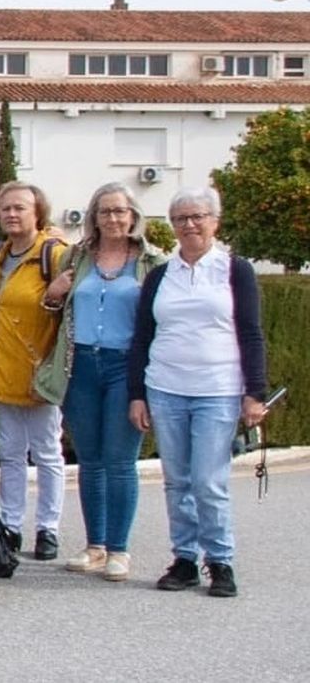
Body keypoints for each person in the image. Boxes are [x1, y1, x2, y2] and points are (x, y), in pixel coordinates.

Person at [129, 187, 267, 598]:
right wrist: (137, 394)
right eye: (181, 218)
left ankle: (220, 560)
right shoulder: (160, 275)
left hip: (217, 390)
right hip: (166, 388)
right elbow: (142, 337)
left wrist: (255, 392)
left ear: (214, 222)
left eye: (198, 217)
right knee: (177, 480)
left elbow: (251, 333)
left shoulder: (234, 271)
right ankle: (185, 558)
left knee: (208, 480)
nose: (189, 225)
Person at [38, 183, 163, 583]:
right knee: (90, 460)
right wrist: (53, 294)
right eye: (104, 211)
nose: (112, 219)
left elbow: (162, 320)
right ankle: (95, 545)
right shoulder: (76, 256)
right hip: (81, 363)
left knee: (119, 460)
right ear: (94, 217)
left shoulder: (152, 261)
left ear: (133, 215)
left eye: (120, 211)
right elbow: (56, 309)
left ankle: (118, 549)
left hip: (125, 365)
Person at [0, 181, 70, 561]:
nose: (11, 214)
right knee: (11, 455)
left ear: (38, 213)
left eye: (20, 208)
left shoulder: (54, 254)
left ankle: (48, 528)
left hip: (40, 374)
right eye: (5, 208)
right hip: (5, 371)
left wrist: (52, 296)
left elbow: (69, 310)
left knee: (47, 453)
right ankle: (11, 524)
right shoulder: (2, 256)